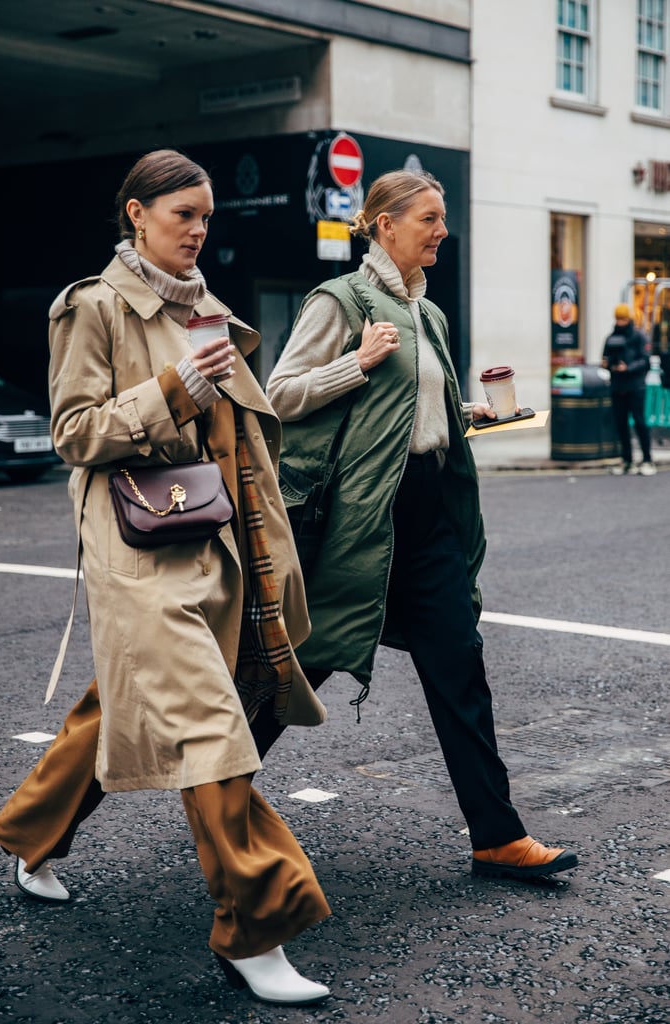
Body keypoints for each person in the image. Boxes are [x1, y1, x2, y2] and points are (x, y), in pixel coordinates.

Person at [0, 149, 331, 1006]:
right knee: (210, 734)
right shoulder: (93, 306)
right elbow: (74, 433)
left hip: (220, 544)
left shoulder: (208, 307)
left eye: (207, 216)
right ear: (136, 215)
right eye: (183, 213)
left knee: (123, 705)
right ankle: (256, 923)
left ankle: (31, 835)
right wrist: (172, 388)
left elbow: (244, 435)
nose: (199, 229)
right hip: (139, 553)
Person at [263, 168, 579, 881]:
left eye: (442, 218)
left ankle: (496, 837)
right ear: (384, 224)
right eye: (429, 219)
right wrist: (356, 362)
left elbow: (411, 411)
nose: (442, 231)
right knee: (300, 671)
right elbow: (276, 395)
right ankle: (214, 790)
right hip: (360, 521)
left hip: (426, 513)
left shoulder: (425, 313)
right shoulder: (339, 301)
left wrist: (474, 415)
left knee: (458, 666)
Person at [602, 303, 655, 476]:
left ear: (629, 319)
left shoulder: (639, 337)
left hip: (635, 386)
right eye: (618, 319)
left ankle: (647, 459)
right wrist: (607, 364)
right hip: (617, 386)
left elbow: (645, 361)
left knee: (640, 423)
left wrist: (628, 367)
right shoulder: (611, 338)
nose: (620, 322)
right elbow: (605, 357)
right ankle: (627, 460)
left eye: (623, 318)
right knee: (621, 424)